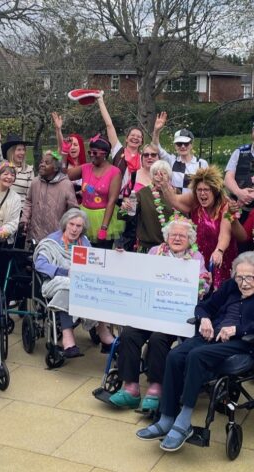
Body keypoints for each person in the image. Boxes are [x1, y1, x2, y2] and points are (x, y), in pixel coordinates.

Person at [136, 251, 254, 451]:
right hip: (213, 337)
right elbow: (204, 306)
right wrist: (204, 319)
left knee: (197, 356)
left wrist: (237, 329)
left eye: (249, 277)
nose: (243, 283)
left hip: (244, 342)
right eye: (239, 277)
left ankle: (184, 421)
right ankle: (167, 417)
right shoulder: (230, 286)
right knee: (175, 355)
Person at [108, 216, 210, 411]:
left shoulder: (196, 257)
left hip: (174, 315)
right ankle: (130, 388)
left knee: (158, 339)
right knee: (129, 334)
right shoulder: (155, 251)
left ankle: (156, 388)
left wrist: (201, 285)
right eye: (173, 235)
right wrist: (122, 258)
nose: (177, 238)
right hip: (150, 310)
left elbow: (203, 283)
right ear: (166, 237)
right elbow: (138, 271)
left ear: (190, 239)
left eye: (182, 236)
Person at [34, 209, 114, 357]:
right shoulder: (51, 242)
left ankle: (102, 331)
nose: (74, 229)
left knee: (96, 288)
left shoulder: (84, 242)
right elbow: (40, 265)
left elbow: (93, 263)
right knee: (68, 287)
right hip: (56, 282)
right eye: (71, 224)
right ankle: (68, 337)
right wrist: (64, 272)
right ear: (65, 224)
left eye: (79, 226)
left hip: (80, 282)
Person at [160, 166, 238, 289]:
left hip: (220, 256)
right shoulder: (195, 200)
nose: (202, 193)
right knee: (200, 290)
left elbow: (225, 233)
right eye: (199, 189)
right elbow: (174, 200)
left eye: (206, 190)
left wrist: (219, 250)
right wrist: (165, 186)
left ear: (215, 191)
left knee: (220, 292)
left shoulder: (225, 206)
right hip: (199, 255)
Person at [66, 134, 123, 248]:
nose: (92, 155)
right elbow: (65, 175)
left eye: (95, 153)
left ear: (105, 153)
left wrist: (104, 228)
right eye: (90, 152)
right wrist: (63, 152)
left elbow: (112, 201)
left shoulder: (114, 172)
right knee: (82, 252)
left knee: (101, 253)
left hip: (103, 218)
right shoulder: (85, 168)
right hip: (84, 216)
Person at [21, 150, 78, 245]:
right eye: (41, 162)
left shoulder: (66, 185)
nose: (42, 165)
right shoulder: (35, 182)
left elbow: (73, 210)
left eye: (47, 163)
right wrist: (24, 220)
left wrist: (68, 229)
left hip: (56, 237)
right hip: (35, 235)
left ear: (55, 168)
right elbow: (28, 202)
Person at [117, 159, 174, 253]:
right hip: (147, 248)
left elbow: (184, 218)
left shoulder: (176, 193)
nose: (159, 177)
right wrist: (125, 209)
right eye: (155, 174)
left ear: (169, 176)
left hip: (172, 248)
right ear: (152, 177)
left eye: (163, 173)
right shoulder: (142, 193)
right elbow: (127, 215)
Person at [116, 143, 160, 251]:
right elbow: (125, 196)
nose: (149, 157)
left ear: (159, 158)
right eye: (146, 155)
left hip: (155, 225)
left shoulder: (164, 177)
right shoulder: (134, 175)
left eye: (153, 155)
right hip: (134, 225)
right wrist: (126, 203)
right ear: (142, 158)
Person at [151, 112, 209, 193]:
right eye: (179, 143)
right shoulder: (172, 161)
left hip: (194, 200)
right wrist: (156, 131)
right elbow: (156, 146)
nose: (183, 146)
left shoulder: (201, 163)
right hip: (176, 200)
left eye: (186, 143)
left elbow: (209, 186)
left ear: (191, 145)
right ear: (175, 146)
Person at [0, 130, 35, 202]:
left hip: (20, 207)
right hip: (2, 206)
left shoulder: (29, 170)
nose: (22, 152)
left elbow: (30, 196)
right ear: (11, 152)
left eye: (23, 150)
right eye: (19, 150)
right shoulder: (4, 165)